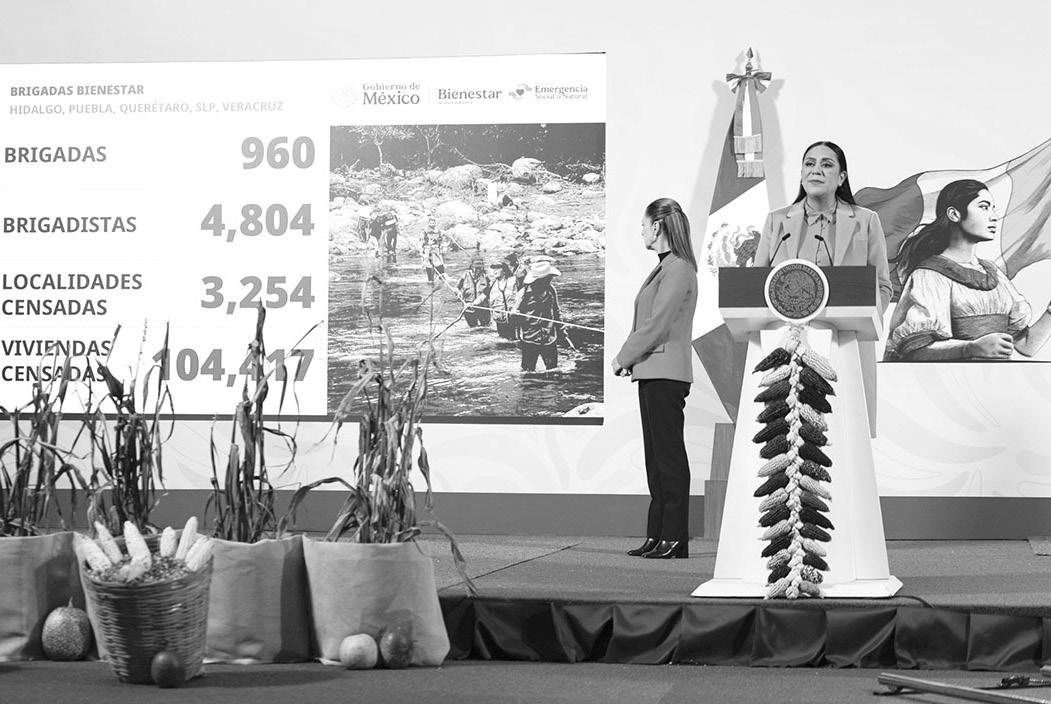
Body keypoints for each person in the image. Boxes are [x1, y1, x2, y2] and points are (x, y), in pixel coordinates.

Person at [612, 198, 698, 560]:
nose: (642, 232)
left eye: (644, 226)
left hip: (666, 372)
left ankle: (674, 536)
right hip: (652, 371)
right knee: (656, 459)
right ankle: (658, 533)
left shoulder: (678, 269)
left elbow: (657, 323)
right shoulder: (666, 267)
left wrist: (623, 356)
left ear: (658, 226)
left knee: (668, 457)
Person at [884, 179, 1051, 361]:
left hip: (997, 376)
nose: (993, 217)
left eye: (993, 208)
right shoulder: (929, 276)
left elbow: (1025, 346)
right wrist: (970, 348)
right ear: (954, 214)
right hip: (953, 377)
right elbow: (914, 351)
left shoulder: (993, 273)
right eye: (984, 207)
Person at [753, 141, 892, 312]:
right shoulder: (776, 221)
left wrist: (864, 319)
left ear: (841, 178)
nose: (816, 170)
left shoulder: (866, 221)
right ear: (802, 175)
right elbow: (755, 285)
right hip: (786, 327)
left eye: (826, 165)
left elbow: (882, 287)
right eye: (809, 164)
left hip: (846, 328)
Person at [513, 256, 564, 371]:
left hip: (549, 338)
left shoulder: (551, 290)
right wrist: (514, 313)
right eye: (548, 278)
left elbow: (557, 312)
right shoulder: (523, 293)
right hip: (530, 339)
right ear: (539, 280)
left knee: (553, 370)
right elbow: (513, 315)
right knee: (527, 372)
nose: (550, 280)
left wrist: (562, 332)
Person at [486, 256, 520, 340]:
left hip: (514, 317)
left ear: (504, 271)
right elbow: (482, 296)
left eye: (498, 268)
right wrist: (471, 304)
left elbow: (524, 294)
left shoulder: (515, 280)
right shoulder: (491, 285)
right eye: (494, 268)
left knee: (515, 341)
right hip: (500, 320)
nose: (495, 271)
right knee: (503, 341)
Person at [457, 256, 492, 327]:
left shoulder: (486, 277)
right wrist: (459, 293)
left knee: (486, 327)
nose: (478, 270)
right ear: (471, 266)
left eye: (480, 267)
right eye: (476, 267)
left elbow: (490, 291)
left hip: (483, 307)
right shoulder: (465, 276)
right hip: (468, 306)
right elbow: (457, 288)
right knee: (473, 327)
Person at [420, 218, 446, 286]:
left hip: (436, 249)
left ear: (435, 223)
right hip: (428, 249)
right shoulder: (425, 231)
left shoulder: (438, 231)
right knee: (428, 264)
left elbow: (441, 240)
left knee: (439, 264)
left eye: (433, 223)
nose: (432, 224)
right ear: (428, 223)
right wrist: (422, 252)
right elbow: (422, 241)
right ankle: (430, 280)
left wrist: (442, 246)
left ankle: (442, 278)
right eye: (430, 223)